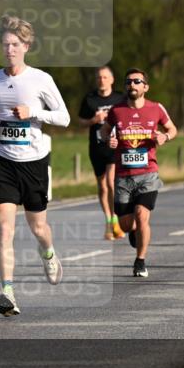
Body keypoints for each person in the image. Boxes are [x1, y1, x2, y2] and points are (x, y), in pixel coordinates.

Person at [0, 15, 70, 316]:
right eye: (5, 44)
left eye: (15, 44)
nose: (9, 49)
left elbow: (64, 116)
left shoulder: (40, 80)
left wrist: (33, 111)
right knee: (4, 229)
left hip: (33, 163)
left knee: (38, 227)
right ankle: (7, 291)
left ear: (26, 46)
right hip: (4, 162)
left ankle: (48, 253)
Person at [99, 69, 177, 278]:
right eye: (128, 82)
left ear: (145, 87)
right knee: (126, 224)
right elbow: (104, 130)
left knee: (142, 215)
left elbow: (172, 129)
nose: (132, 85)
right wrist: (109, 140)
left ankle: (140, 260)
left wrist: (165, 137)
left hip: (148, 174)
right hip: (123, 176)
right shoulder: (117, 110)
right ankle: (134, 232)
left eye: (137, 81)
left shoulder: (155, 108)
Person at [77, 65, 125, 240]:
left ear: (112, 79)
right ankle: (108, 220)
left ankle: (115, 220)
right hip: (96, 147)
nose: (101, 80)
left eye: (105, 77)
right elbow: (80, 121)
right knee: (102, 186)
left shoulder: (120, 98)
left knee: (111, 183)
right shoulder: (90, 99)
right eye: (99, 77)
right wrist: (93, 120)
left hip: (114, 145)